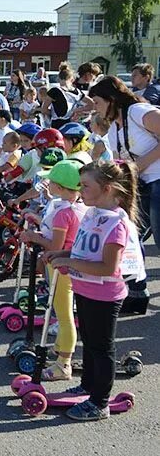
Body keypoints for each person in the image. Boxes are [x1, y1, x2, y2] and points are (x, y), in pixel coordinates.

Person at [47, 160, 145, 421]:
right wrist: (63, 253)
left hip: (104, 294)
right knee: (89, 343)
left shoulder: (117, 224)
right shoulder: (92, 213)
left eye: (86, 185)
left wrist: (68, 261)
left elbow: (107, 267)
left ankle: (100, 402)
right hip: (85, 288)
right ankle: (88, 385)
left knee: (102, 348)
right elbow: (84, 250)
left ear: (108, 188)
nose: (81, 189)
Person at [89, 75, 159, 314]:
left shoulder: (138, 112)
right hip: (141, 185)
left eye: (97, 102)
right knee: (131, 236)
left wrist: (139, 165)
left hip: (158, 181)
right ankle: (137, 291)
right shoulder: (115, 128)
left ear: (111, 99)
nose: (95, 108)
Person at [21, 159, 87, 381]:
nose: (46, 184)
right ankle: (60, 349)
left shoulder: (62, 213)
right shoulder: (77, 207)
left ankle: (64, 363)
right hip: (66, 266)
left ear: (59, 187)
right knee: (62, 311)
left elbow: (56, 246)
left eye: (50, 181)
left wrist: (33, 236)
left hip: (61, 268)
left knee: (64, 314)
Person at [42, 63, 81, 130]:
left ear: (59, 78)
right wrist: (75, 112)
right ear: (72, 79)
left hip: (57, 122)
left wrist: (52, 113)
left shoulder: (54, 91)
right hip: (70, 121)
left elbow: (44, 109)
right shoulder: (76, 91)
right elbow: (90, 104)